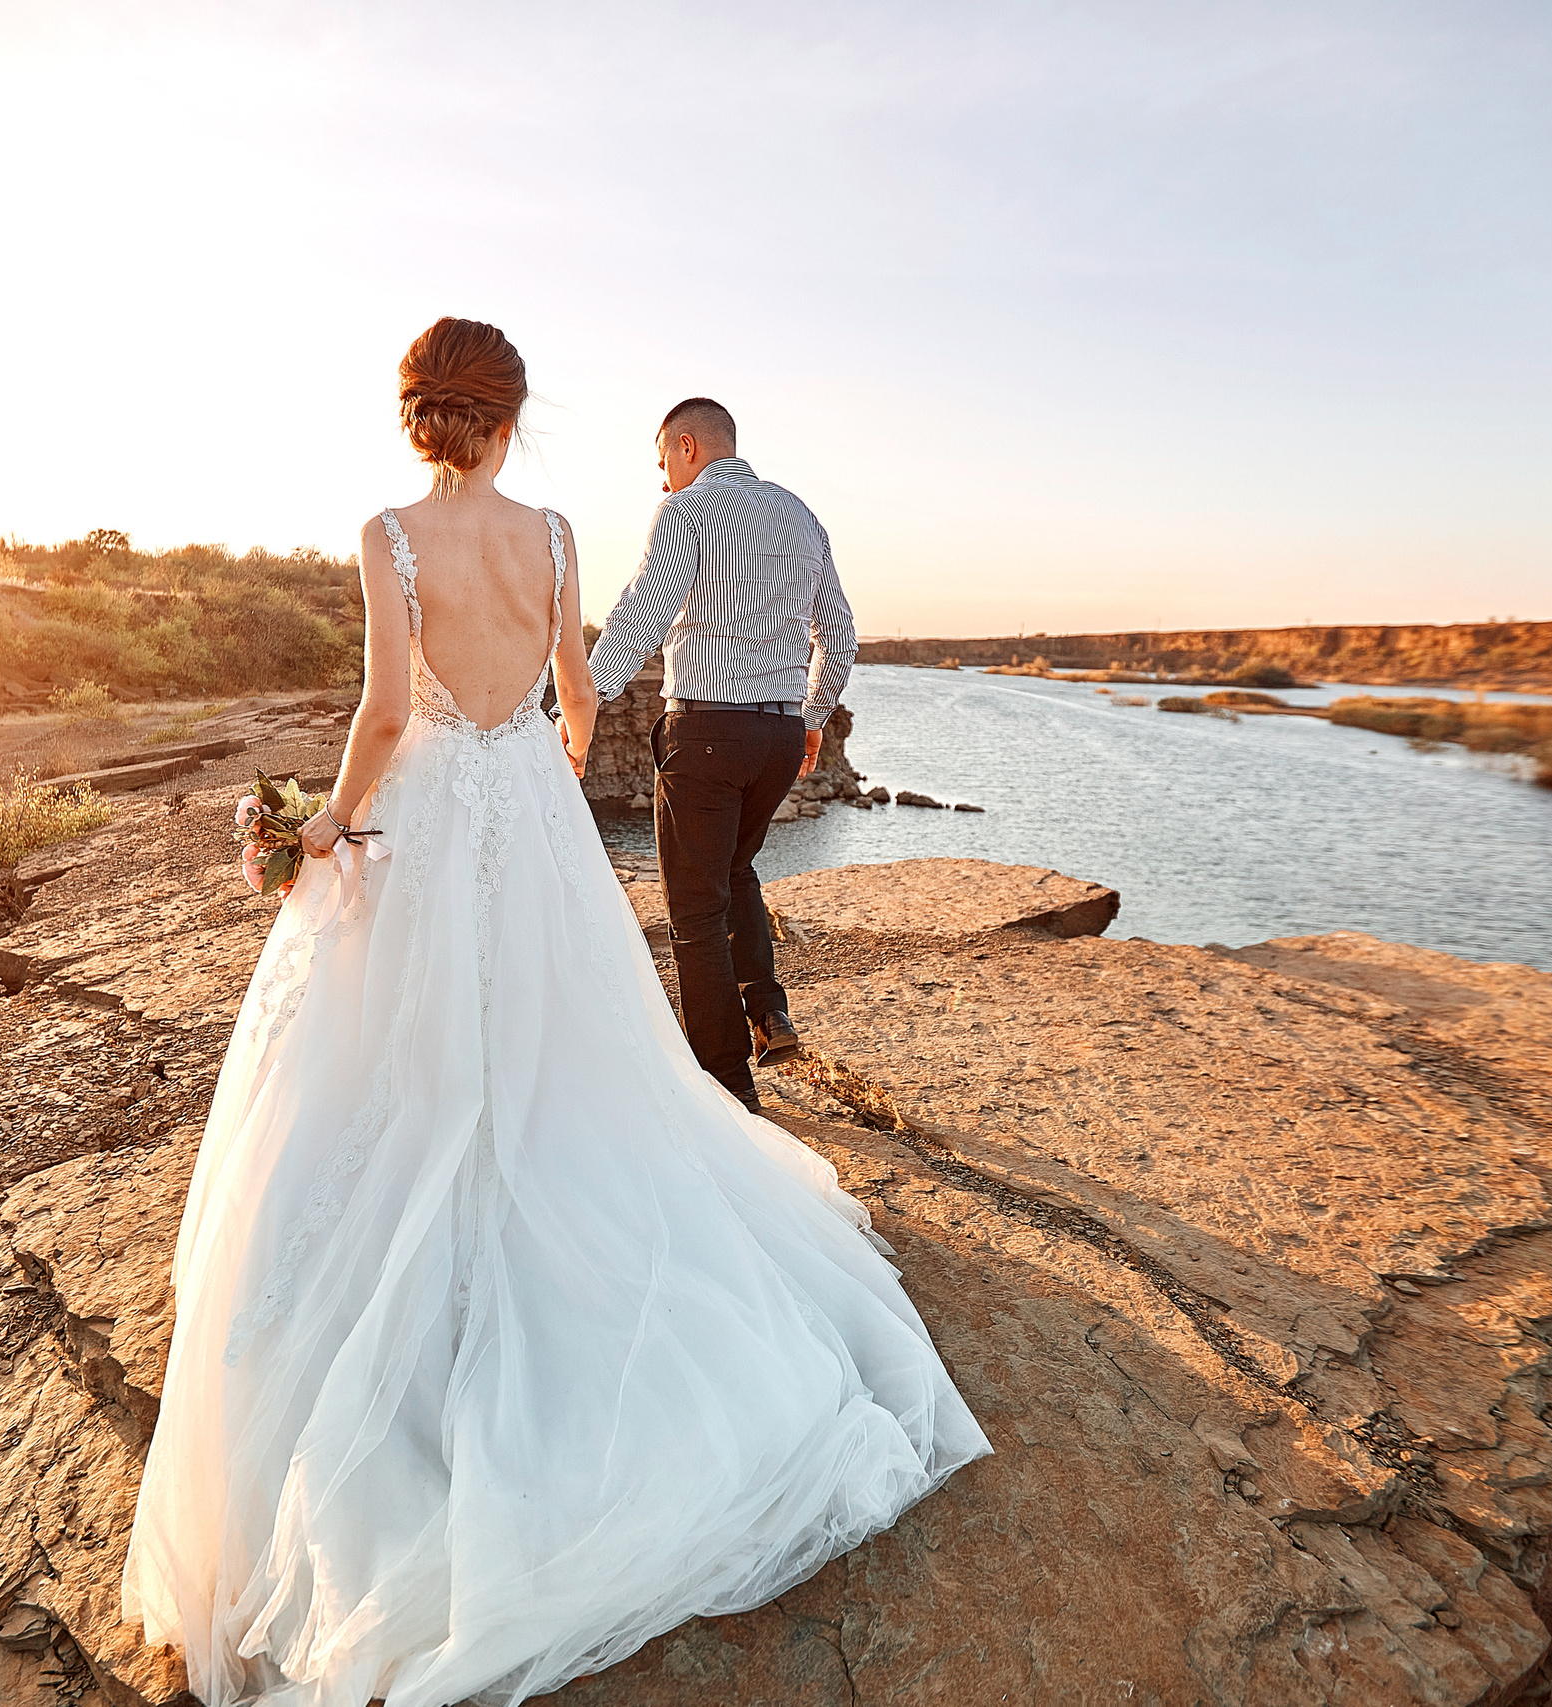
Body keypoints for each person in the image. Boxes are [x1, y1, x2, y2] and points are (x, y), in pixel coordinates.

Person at [120, 318, 988, 1707]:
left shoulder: (389, 533)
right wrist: (540, 764)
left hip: (431, 806)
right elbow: (583, 692)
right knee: (566, 1047)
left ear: (417, 420)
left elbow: (388, 707)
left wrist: (327, 829)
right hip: (530, 804)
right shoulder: (567, 533)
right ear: (512, 415)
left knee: (395, 1056)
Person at [577, 398, 857, 1113]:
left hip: (705, 732)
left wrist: (575, 709)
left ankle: (728, 1088)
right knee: (734, 868)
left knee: (694, 913)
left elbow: (641, 614)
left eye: (663, 463)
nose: (662, 480)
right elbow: (842, 635)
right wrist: (814, 717)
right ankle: (768, 1011)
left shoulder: (687, 511)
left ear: (687, 446)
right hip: (779, 736)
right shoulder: (800, 515)